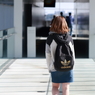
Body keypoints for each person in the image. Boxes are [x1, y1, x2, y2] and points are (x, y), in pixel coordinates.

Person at [45, 16, 75, 95]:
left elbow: (48, 56)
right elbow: (73, 54)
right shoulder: (69, 38)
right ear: (65, 24)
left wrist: (50, 68)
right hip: (68, 66)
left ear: (53, 24)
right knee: (66, 88)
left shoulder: (50, 39)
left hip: (55, 66)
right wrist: (72, 66)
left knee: (55, 87)